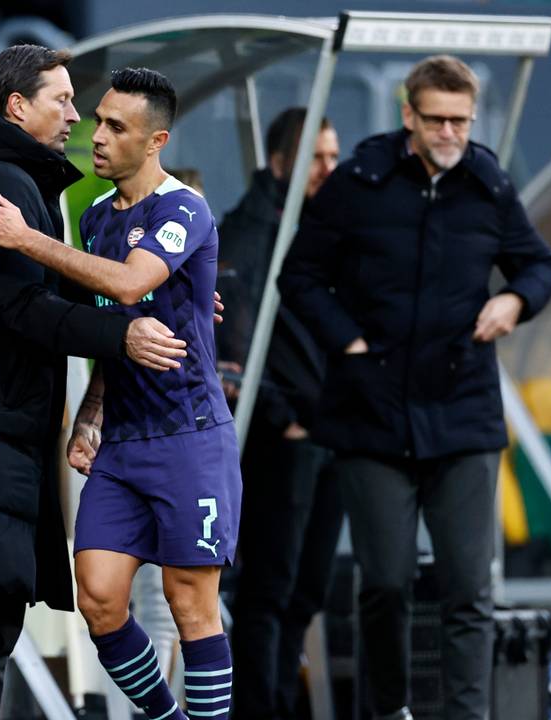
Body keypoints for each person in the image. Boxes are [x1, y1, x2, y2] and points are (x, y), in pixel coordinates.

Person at [0, 45, 192, 720]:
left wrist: (156, 305)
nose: (76, 114)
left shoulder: (23, 181)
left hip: (6, 430)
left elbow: (55, 293)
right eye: (60, 99)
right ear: (16, 106)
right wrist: (125, 334)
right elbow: (25, 308)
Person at [278, 55, 551, 720]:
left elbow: (541, 264)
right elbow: (300, 277)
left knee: (468, 587)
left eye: (460, 120)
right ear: (409, 115)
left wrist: (515, 301)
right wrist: (346, 339)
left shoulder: (489, 185)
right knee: (384, 582)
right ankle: (389, 710)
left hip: (462, 413)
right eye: (435, 119)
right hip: (370, 414)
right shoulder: (357, 184)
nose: (449, 132)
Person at [0, 67, 241, 720]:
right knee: (100, 598)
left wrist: (25, 239)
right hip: (122, 442)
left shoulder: (183, 207)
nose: (98, 134)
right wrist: (91, 413)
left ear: (155, 141)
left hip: (190, 438)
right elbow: (113, 324)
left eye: (118, 126)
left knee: (190, 603)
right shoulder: (91, 216)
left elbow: (127, 286)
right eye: (98, 119)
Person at [217, 106, 345, 719]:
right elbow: (233, 354)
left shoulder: (324, 230)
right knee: (270, 591)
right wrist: (282, 414)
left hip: (328, 432)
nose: (329, 169)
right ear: (279, 163)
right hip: (282, 439)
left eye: (332, 156)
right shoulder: (248, 232)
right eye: (316, 158)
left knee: (305, 591)